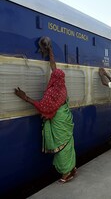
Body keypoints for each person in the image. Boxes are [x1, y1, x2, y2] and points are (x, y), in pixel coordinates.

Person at [14, 37, 77, 183]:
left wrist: (25, 97)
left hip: (58, 121)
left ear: (54, 79)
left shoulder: (53, 92)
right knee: (68, 144)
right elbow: (54, 66)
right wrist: (50, 50)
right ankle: (72, 167)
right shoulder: (62, 87)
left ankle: (66, 173)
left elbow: (42, 106)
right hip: (65, 118)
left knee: (61, 147)